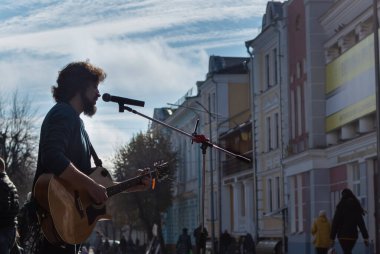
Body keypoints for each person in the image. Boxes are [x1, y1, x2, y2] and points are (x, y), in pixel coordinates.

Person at [32, 61, 150, 253]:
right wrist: (90, 185)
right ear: (79, 86)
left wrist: (132, 185)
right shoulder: (63, 113)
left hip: (68, 224)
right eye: (94, 87)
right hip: (55, 219)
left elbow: (87, 182)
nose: (98, 93)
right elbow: (52, 156)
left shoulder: (78, 124)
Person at [330, 188, 369, 254]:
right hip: (352, 236)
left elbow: (335, 223)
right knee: (347, 251)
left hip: (342, 236)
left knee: (346, 251)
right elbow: (361, 223)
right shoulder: (355, 206)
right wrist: (365, 237)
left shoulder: (340, 207)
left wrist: (332, 238)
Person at [0, 157, 20, 254]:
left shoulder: (1, 183)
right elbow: (16, 208)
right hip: (10, 229)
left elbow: (3, 208)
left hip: (3, 231)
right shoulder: (10, 183)